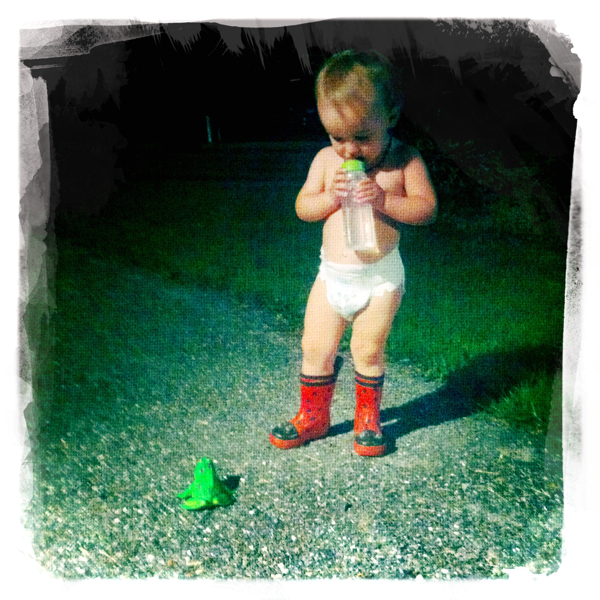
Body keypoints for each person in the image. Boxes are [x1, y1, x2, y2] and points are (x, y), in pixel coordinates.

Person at [270, 49, 437, 456]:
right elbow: (302, 207)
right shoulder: (326, 162)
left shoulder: (404, 161)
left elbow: (426, 209)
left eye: (362, 137)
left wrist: (382, 199)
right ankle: (314, 416)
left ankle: (367, 419)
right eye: (337, 137)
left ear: (391, 116)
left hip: (379, 280)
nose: (349, 150)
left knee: (367, 349)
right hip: (332, 277)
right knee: (315, 347)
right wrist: (330, 197)